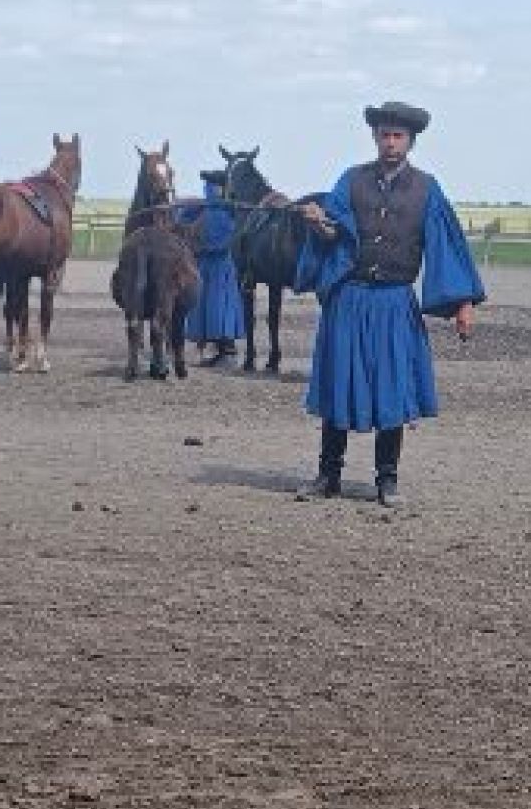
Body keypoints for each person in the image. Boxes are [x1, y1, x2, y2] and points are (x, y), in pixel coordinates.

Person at [293, 100, 484, 508]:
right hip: (350, 299)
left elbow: (446, 247)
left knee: (394, 390)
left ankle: (387, 481)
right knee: (338, 385)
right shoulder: (350, 180)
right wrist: (318, 224)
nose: (391, 142)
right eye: (385, 135)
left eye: (398, 136)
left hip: (395, 303)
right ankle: (328, 476)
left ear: (411, 141)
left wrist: (463, 303)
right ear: (375, 138)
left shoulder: (427, 189)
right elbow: (335, 233)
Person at [181, 170, 246, 365]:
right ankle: (221, 349)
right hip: (215, 266)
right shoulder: (220, 210)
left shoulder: (217, 212)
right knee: (216, 306)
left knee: (217, 306)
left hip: (217, 266)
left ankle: (226, 350)